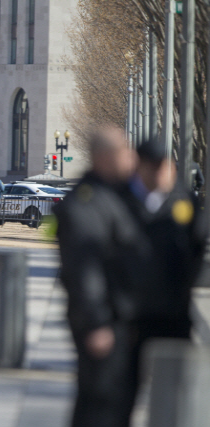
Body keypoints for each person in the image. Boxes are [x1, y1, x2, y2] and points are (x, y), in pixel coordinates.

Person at [54, 127, 207, 427]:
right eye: (124, 152)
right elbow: (86, 270)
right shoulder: (91, 200)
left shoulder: (133, 195)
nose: (130, 159)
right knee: (102, 402)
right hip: (110, 320)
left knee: (157, 399)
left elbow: (193, 249)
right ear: (106, 157)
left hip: (155, 317)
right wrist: (97, 320)